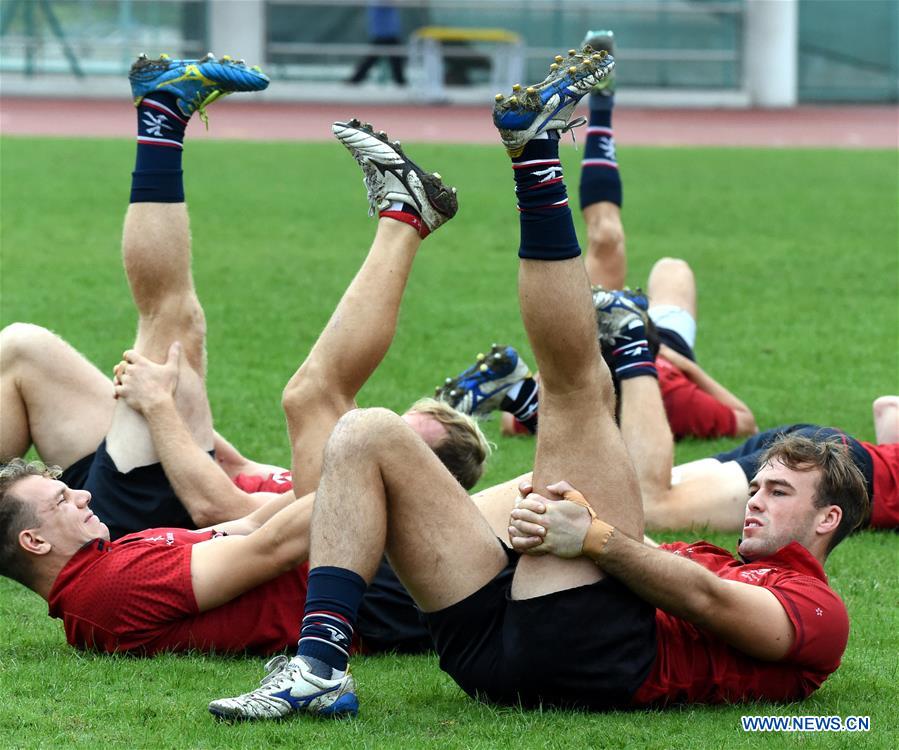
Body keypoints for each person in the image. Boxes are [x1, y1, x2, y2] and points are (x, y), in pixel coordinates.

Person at [207, 46, 869, 722]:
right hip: (487, 653)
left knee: (577, 390)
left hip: (591, 660)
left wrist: (594, 540)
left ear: (827, 520)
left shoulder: (818, 610)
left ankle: (535, 158)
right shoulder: (712, 553)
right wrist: (547, 529)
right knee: (365, 432)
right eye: (759, 485)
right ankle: (317, 665)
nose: (753, 500)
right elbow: (657, 573)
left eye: (778, 492)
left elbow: (707, 603)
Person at [0, 58, 494, 658]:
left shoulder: (353, 495)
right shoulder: (341, 493)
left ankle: (402, 215)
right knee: (47, 344)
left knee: (179, 335)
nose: (377, 438)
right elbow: (238, 513)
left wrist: (163, 409)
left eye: (407, 445)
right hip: (148, 531)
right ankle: (167, 118)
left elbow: (229, 513)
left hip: (148, 531)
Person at [436, 30, 756, 441]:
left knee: (607, 240)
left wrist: (537, 379)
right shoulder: (673, 392)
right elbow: (744, 420)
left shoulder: (586, 384)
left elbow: (511, 423)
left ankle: (557, 134)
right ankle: (600, 107)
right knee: (666, 266)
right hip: (660, 353)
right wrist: (682, 362)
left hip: (618, 349)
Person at [636, 395, 899, 532]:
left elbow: (886, 406)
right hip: (833, 465)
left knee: (635, 494)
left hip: (820, 439)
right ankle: (634, 354)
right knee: (653, 509)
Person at [347, 2, 406, 86]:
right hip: (383, 33)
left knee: (395, 59)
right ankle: (355, 79)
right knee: (372, 59)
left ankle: (356, 79)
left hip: (389, 33)